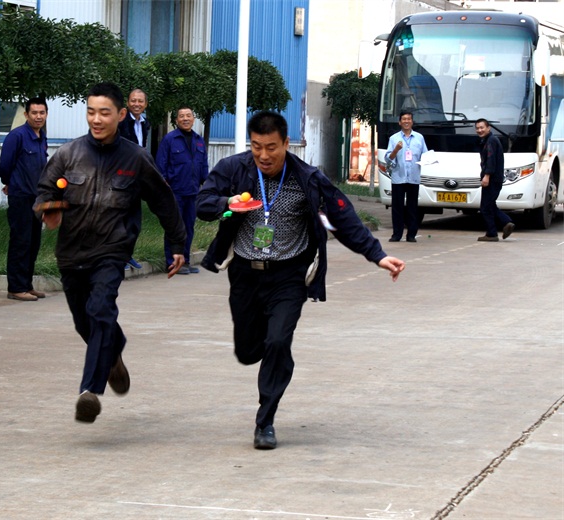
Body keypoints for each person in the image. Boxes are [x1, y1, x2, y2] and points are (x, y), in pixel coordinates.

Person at [196, 111, 405, 450]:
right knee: (248, 351)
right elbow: (202, 205)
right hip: (245, 274)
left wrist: (377, 255)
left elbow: (342, 218)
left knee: (278, 341)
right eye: (257, 147)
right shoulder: (234, 169)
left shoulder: (307, 178)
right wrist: (227, 204)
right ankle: (272, 355)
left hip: (288, 276)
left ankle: (265, 422)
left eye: (271, 147)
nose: (263, 155)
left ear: (286, 144)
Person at [35, 82, 186, 424]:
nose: (96, 119)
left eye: (104, 112)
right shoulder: (69, 154)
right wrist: (48, 208)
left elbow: (164, 201)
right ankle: (113, 354)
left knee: (101, 309)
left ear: (120, 114)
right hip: (71, 253)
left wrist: (178, 245)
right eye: (91, 112)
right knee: (84, 323)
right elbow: (45, 189)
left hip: (112, 249)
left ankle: (90, 391)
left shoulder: (136, 158)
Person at [0, 97, 49, 301]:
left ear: (46, 114)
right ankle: (16, 288)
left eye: (42, 113)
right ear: (26, 114)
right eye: (34, 113)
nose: (38, 116)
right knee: (21, 241)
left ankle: (27, 284)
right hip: (21, 197)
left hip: (37, 198)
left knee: (33, 242)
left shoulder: (41, 137)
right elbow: (5, 165)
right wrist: (10, 182)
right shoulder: (17, 136)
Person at [156, 106, 209, 274]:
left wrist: (208, 186)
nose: (185, 119)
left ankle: (184, 261)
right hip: (175, 192)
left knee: (189, 227)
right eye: (181, 116)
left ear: (193, 119)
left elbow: (203, 166)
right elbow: (160, 167)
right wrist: (165, 189)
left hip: (192, 192)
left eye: (188, 116)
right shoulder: (169, 140)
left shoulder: (199, 140)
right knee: (174, 227)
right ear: (176, 120)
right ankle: (172, 262)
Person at [118, 88, 150, 270]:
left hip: (137, 178)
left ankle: (127, 255)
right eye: (133, 100)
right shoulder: (121, 121)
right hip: (121, 178)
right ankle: (118, 257)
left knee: (134, 221)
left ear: (145, 104)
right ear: (128, 102)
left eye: (140, 101)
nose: (136, 104)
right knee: (120, 219)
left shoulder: (145, 123)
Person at [384, 111, 428, 242]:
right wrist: (396, 149)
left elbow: (425, 155)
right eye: (404, 119)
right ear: (399, 122)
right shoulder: (394, 138)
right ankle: (396, 234)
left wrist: (427, 161)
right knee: (397, 207)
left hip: (414, 177)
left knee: (412, 207)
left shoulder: (419, 138)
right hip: (398, 177)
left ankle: (411, 235)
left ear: (412, 122)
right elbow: (388, 159)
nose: (406, 121)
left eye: (409, 119)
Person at [475, 119, 514, 242]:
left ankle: (497, 229)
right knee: (490, 204)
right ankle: (499, 227)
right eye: (477, 128)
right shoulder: (488, 140)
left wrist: (487, 176)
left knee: (485, 207)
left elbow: (491, 160)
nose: (479, 130)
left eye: (482, 127)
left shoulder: (491, 141)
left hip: (492, 179)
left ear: (488, 128)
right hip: (494, 178)